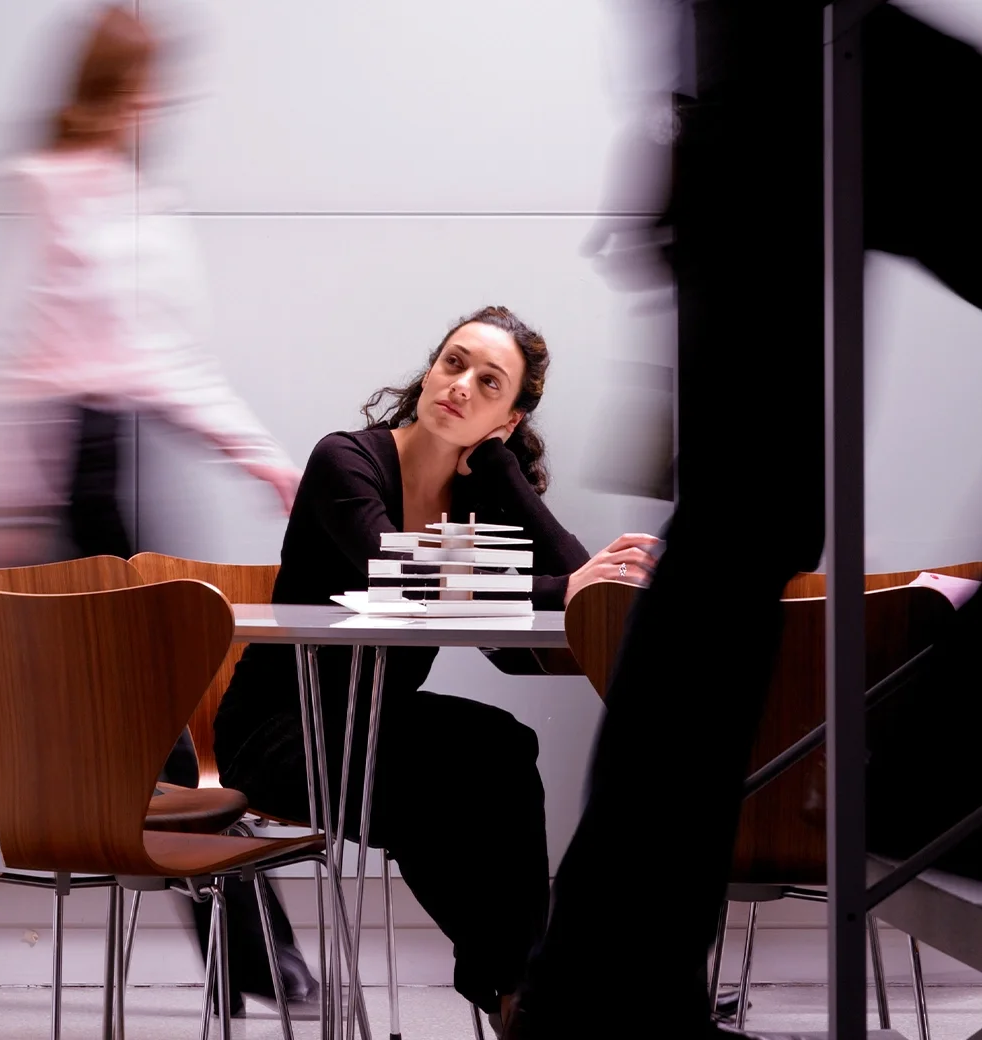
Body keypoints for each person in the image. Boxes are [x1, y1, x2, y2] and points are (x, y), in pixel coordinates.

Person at [0, 5, 314, 1016]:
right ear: (107, 83)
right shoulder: (38, 189)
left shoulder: (142, 199)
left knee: (72, 712)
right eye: (145, 78)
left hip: (120, 458)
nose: (161, 97)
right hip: (53, 470)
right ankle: (252, 947)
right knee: (132, 708)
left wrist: (258, 457)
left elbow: (167, 361)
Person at [504, 3, 982, 1038]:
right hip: (792, 59)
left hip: (743, 82)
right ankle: (929, 760)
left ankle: (600, 987)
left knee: (737, 538)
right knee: (739, 538)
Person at [213, 304, 661, 1034]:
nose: (460, 386)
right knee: (437, 786)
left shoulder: (479, 496)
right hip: (279, 734)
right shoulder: (347, 460)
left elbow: (584, 591)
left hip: (375, 733)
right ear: (429, 371)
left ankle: (524, 990)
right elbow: (396, 575)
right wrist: (553, 588)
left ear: (509, 418)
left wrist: (504, 474)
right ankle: (526, 987)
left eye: (490, 384)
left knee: (503, 745)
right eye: (454, 363)